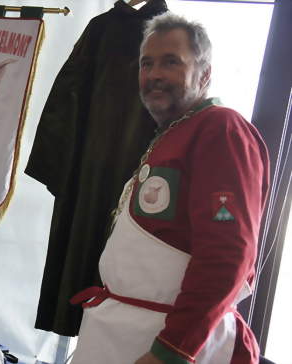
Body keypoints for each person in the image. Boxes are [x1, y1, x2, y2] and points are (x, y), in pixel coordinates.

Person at [69, 12, 269, 364]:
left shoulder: (221, 129)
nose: (155, 75)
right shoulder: (172, 135)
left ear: (204, 74)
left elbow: (227, 255)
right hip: (121, 333)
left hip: (168, 343)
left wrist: (172, 350)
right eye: (147, 64)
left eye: (171, 62)